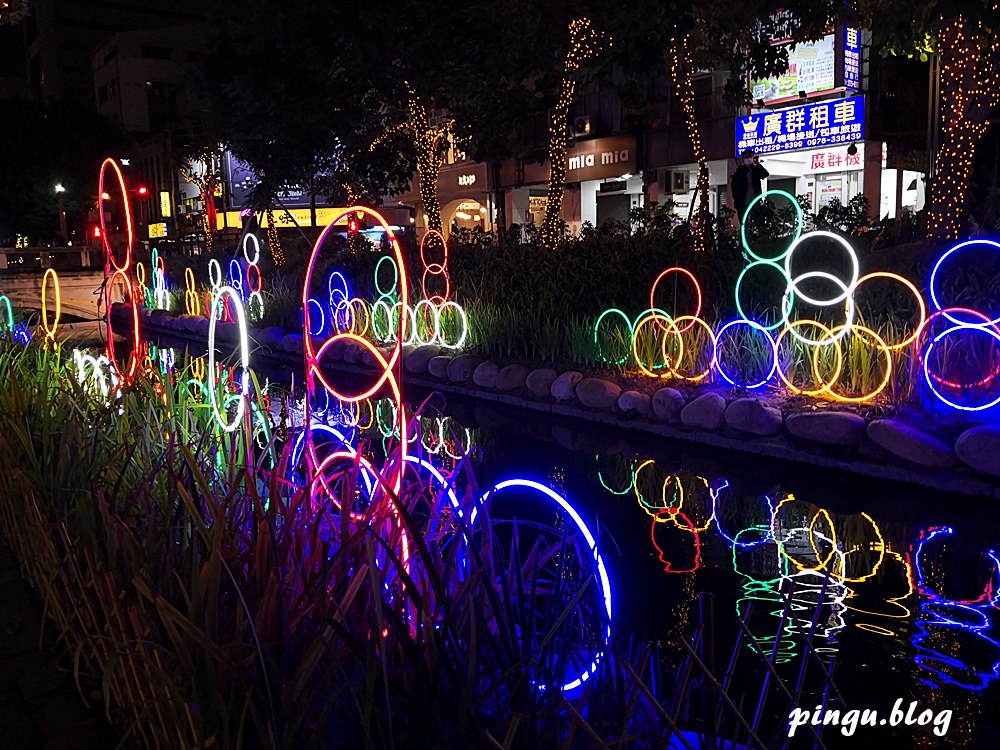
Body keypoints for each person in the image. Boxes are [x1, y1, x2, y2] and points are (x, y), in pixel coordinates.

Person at [731, 149, 769, 223]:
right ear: (743, 159)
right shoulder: (740, 171)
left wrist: (757, 164)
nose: (748, 159)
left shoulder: (755, 169)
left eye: (750, 157)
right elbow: (734, 186)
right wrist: (737, 199)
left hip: (755, 201)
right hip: (742, 202)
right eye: (746, 157)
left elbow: (765, 174)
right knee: (744, 223)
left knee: (758, 222)